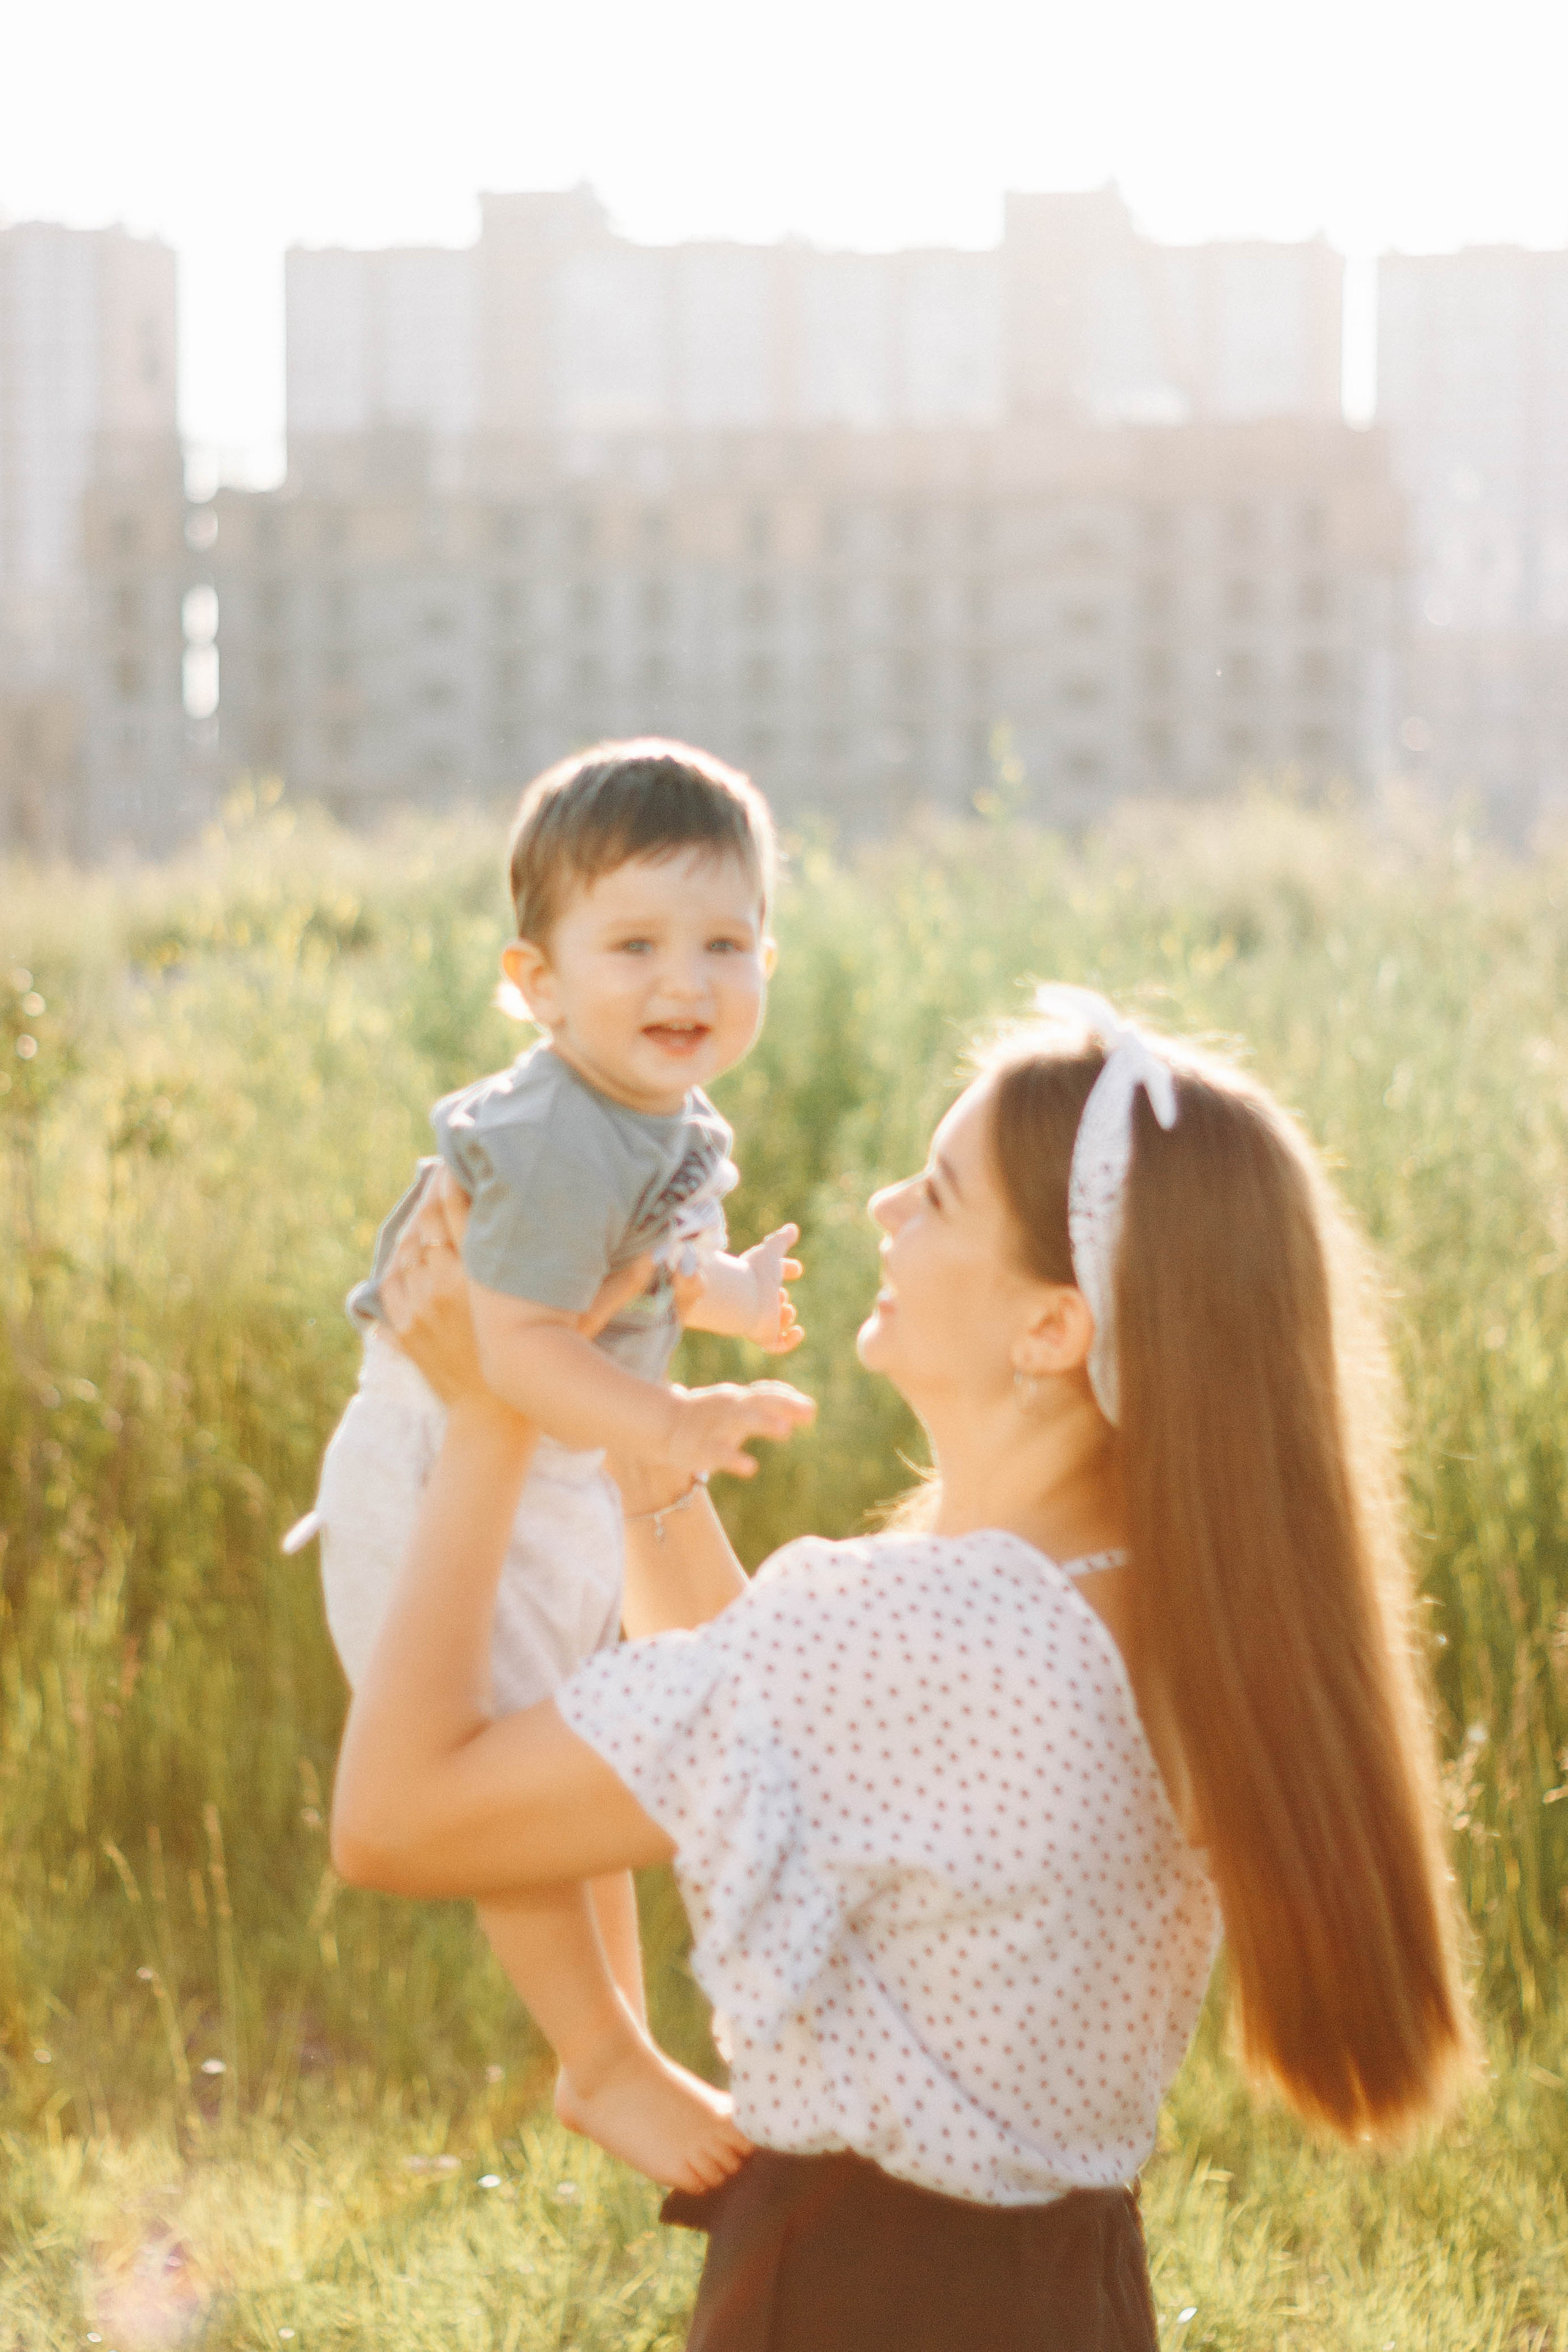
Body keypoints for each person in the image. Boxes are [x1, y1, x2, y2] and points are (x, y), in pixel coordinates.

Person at [331, 990, 1475, 2351]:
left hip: (847, 2304)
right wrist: (638, 1449)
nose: (882, 1207)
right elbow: (791, 1743)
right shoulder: (1154, 1609)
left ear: (1051, 1328)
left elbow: (397, 1820)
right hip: (1067, 2299)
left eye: (935, 1195)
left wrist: (485, 1419)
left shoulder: (907, 1633)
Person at [292, 741, 815, 2192]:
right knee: (494, 1770)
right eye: (635, 944)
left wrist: (725, 1293)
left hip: (540, 1484)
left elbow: (639, 1268)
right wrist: (670, 1422)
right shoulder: (550, 1135)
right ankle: (595, 2063)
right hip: (442, 1479)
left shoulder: (650, 1115)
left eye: (724, 942)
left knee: (566, 1743)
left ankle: (626, 2045)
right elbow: (514, 1353)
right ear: (536, 981)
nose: (685, 983)